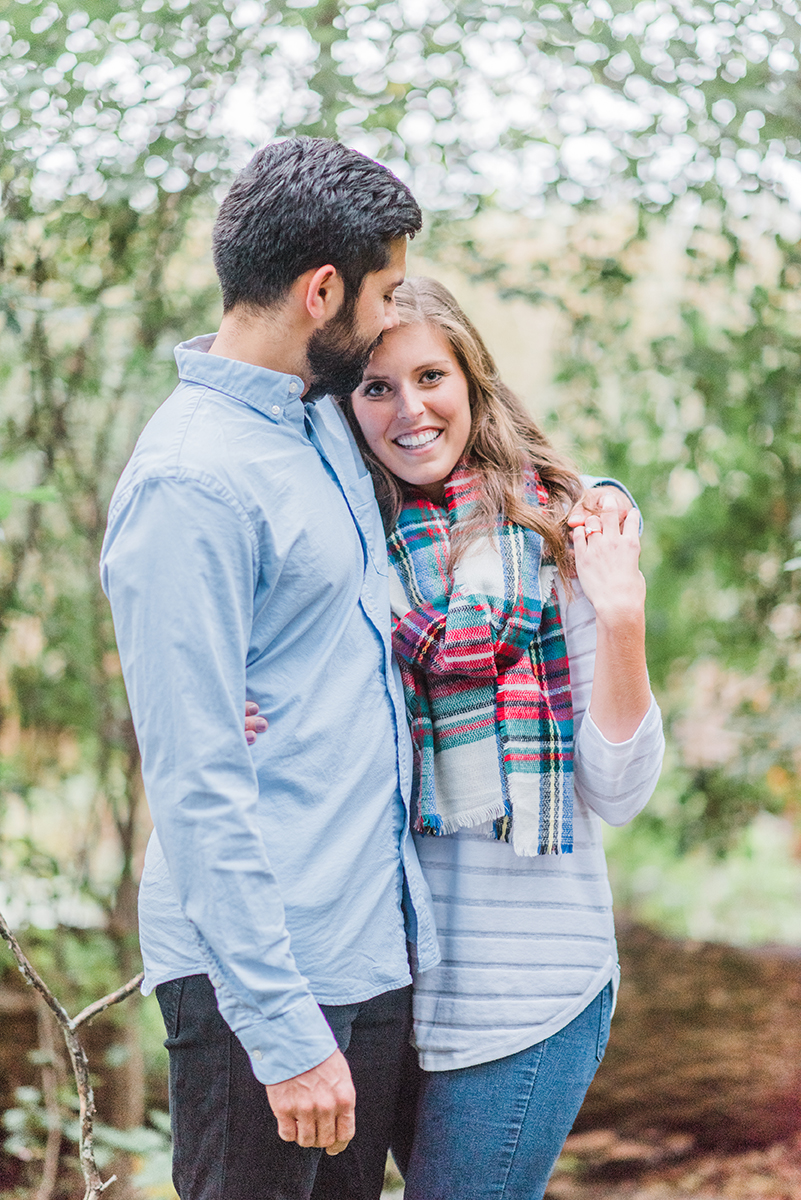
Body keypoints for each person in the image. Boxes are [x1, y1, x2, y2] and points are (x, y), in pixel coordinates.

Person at [99, 138, 443, 1200]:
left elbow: (458, 436)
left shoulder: (317, 416)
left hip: (367, 948)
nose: (392, 318)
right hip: (267, 976)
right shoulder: (190, 483)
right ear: (322, 289)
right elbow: (197, 784)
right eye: (385, 294)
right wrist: (283, 1030)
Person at [338, 276, 666, 1200]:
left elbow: (620, 790)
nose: (411, 408)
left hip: (531, 989)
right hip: (391, 989)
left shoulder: (561, 533)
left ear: (471, 379)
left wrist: (622, 616)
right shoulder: (351, 548)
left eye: (430, 375)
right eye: (375, 386)